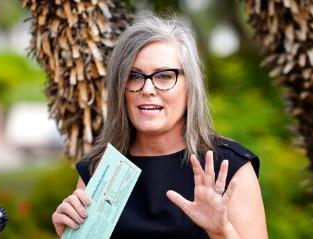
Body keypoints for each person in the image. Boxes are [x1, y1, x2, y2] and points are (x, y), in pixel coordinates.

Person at [52, 13, 268, 239]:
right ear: (120, 88)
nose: (147, 89)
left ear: (190, 87)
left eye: (164, 76)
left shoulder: (229, 168)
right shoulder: (100, 169)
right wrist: (70, 235)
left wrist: (221, 232)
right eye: (134, 76)